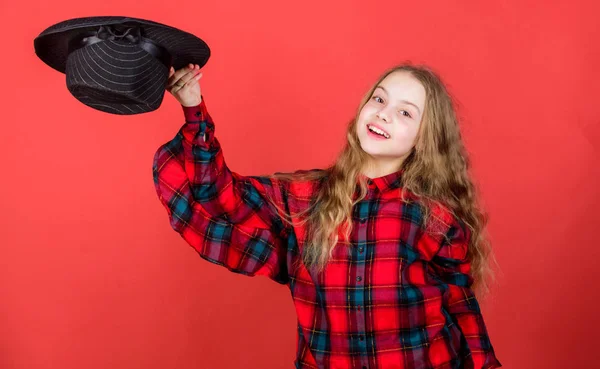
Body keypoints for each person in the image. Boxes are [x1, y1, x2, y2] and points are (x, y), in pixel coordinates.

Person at [152, 62, 502, 369]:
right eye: (379, 99)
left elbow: (460, 303)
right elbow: (218, 196)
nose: (383, 113)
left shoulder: (435, 216)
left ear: (425, 139)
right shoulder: (303, 200)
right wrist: (193, 105)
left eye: (405, 112)